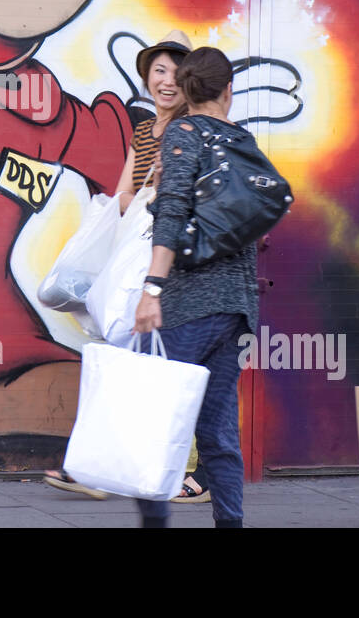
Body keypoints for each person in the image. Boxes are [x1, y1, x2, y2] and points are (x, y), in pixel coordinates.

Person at [44, 31, 210, 501]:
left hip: (168, 268)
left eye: (177, 73)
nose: (167, 81)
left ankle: (190, 472)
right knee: (118, 356)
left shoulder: (190, 130)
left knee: (171, 362)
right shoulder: (142, 132)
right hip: (134, 262)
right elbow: (123, 196)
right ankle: (99, 465)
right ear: (146, 77)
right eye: (159, 70)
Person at [133, 46, 259, 528]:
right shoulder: (244, 141)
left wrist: (153, 288)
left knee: (154, 424)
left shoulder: (184, 133)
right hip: (237, 310)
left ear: (186, 91)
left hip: (189, 308)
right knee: (218, 431)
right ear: (229, 90)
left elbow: (171, 217)